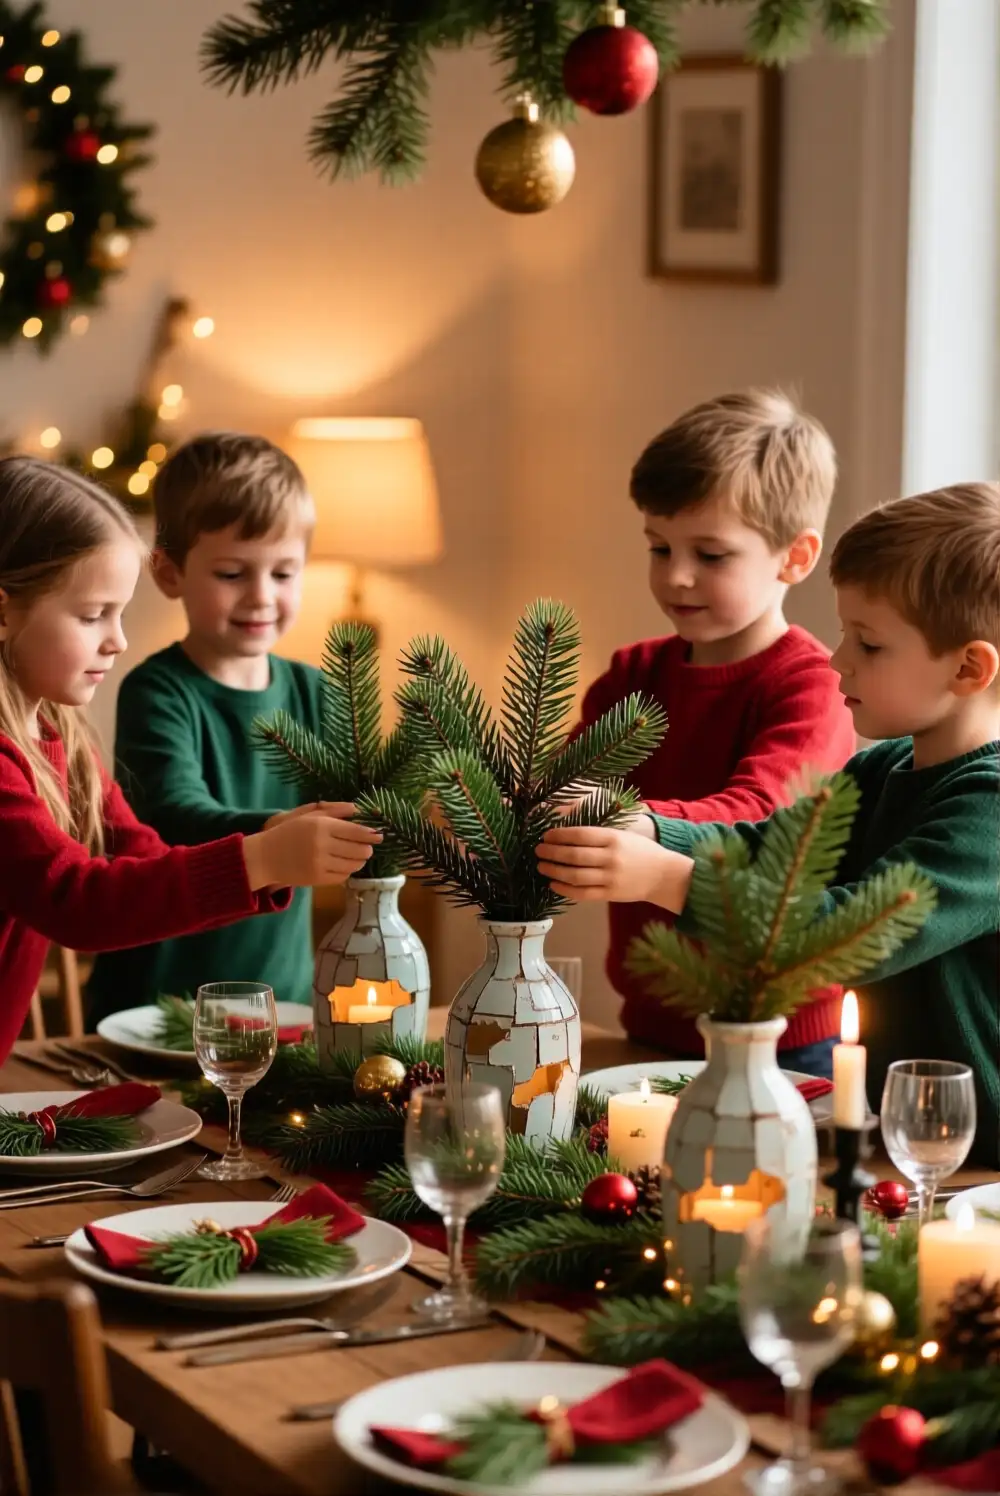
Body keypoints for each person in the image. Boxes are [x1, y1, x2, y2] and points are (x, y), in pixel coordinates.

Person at [539, 484, 1000, 1140]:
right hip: (893, 1131)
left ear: (968, 668)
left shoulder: (988, 809)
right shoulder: (883, 767)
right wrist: (644, 827)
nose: (839, 659)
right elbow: (770, 844)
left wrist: (664, 879)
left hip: (977, 1154)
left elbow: (846, 936)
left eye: (868, 644)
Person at [0, 455, 375, 1062]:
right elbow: (77, 900)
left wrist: (272, 842)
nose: (118, 639)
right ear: (3, 611)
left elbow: (144, 852)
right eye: (94, 615)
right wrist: (259, 856)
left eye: (119, 613)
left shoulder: (60, 737)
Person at [578, 390, 854, 1067]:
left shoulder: (814, 686)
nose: (677, 576)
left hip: (782, 1039)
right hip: (650, 1023)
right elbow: (566, 781)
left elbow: (758, 817)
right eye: (659, 545)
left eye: (712, 554)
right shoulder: (635, 673)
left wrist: (637, 825)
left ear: (795, 557)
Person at [86, 433, 347, 1024]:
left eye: (283, 573)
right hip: (157, 1010)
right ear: (169, 573)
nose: (261, 595)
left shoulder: (319, 693)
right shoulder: (157, 691)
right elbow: (175, 814)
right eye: (232, 573)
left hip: (281, 1004)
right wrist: (280, 836)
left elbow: (366, 797)